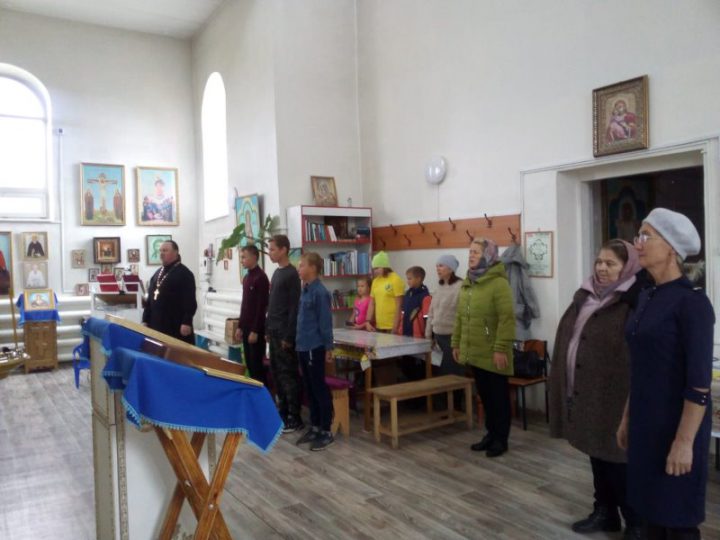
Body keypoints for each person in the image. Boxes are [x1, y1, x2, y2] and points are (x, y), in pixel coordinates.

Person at [617, 208, 715, 540]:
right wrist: (627, 417)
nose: (638, 244)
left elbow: (699, 384)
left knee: (677, 517)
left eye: (646, 236)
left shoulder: (692, 304)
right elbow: (641, 366)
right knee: (649, 513)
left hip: (677, 427)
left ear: (671, 248)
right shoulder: (647, 296)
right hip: (646, 424)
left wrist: (684, 443)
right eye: (638, 236)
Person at [548, 239, 643, 539]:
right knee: (596, 454)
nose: (602, 268)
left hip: (615, 396)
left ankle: (636, 523)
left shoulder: (633, 301)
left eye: (610, 263)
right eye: (599, 262)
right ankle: (605, 512)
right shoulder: (586, 296)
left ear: (627, 267)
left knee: (618, 461)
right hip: (585, 391)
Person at [452, 238, 515, 458]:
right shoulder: (469, 281)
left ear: (488, 256)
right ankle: (490, 434)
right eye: (470, 252)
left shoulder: (498, 283)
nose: (471, 256)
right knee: (486, 397)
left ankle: (501, 439)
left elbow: (507, 319)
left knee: (498, 398)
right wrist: (456, 342)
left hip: (494, 351)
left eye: (476, 252)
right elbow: (461, 317)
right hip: (475, 351)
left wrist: (500, 348)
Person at [294, 252, 335, 451]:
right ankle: (315, 426)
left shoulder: (320, 292)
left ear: (312, 268)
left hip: (314, 347)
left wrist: (329, 347)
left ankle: (326, 430)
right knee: (309, 388)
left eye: (302, 265)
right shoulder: (305, 289)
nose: (298, 268)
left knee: (319, 388)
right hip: (302, 345)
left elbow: (325, 323)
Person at [266, 234, 303, 433]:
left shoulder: (291, 275)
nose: (269, 252)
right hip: (273, 330)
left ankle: (294, 417)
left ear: (283, 250)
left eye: (273, 249)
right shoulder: (276, 273)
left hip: (284, 333)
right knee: (276, 374)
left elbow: (293, 308)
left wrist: (289, 336)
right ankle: (282, 412)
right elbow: (272, 304)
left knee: (288, 375)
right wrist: (267, 328)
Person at [425, 255, 464, 407]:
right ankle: (444, 407)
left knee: (452, 373)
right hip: (438, 336)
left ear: (451, 268)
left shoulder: (461, 286)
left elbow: (462, 314)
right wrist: (428, 335)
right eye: (437, 265)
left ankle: (454, 407)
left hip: (453, 337)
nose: (438, 268)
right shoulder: (439, 286)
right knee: (442, 372)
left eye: (441, 265)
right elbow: (431, 312)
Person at [142, 240, 197, 345]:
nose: (162, 253)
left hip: (175, 326)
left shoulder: (184, 274)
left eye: (165, 250)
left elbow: (190, 301)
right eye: (161, 251)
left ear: (175, 252)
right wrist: (145, 320)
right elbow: (149, 300)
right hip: (156, 326)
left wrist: (186, 322)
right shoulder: (157, 273)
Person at [234, 245, 269, 385]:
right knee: (249, 364)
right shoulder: (247, 277)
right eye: (241, 257)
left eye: (244, 257)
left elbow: (261, 307)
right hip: (246, 328)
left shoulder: (261, 278)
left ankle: (262, 393)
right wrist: (240, 326)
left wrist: (255, 330)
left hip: (256, 330)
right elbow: (245, 305)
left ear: (254, 257)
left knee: (256, 366)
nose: (241, 260)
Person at [366, 251, 404, 333]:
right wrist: (367, 321)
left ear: (385, 266)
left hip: (392, 326)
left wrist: (395, 327)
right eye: (374, 269)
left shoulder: (395, 279)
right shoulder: (375, 281)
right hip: (379, 326)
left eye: (377, 268)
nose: (375, 271)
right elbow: (372, 303)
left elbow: (399, 305)